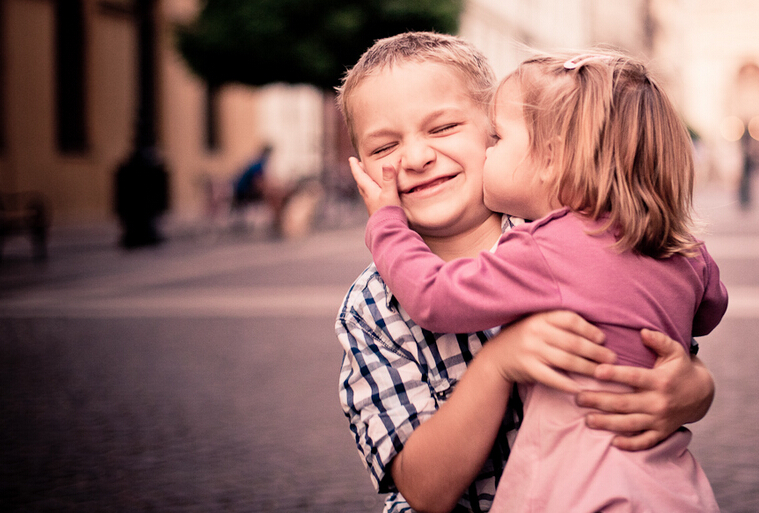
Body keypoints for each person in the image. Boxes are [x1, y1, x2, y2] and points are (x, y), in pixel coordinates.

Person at [336, 32, 716, 513]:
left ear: (494, 131)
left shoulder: (585, 240)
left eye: (443, 127)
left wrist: (696, 388)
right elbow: (423, 491)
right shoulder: (370, 310)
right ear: (360, 169)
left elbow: (665, 344)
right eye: (385, 145)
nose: (414, 158)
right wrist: (498, 364)